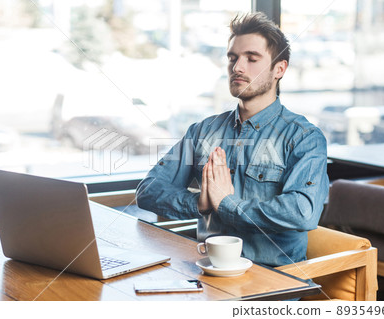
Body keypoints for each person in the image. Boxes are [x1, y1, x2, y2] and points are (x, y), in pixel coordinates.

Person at [136, 12, 329, 267]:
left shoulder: (304, 138)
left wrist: (227, 205)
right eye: (233, 58)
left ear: (279, 69)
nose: (237, 67)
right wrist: (200, 203)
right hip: (207, 273)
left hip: (272, 281)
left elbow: (302, 211)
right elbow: (147, 190)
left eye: (252, 58)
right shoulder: (202, 131)